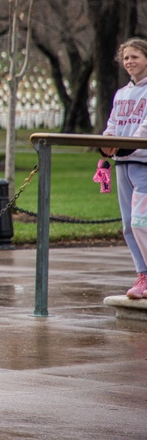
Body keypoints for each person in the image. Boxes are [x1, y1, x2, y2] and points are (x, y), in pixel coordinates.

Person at [100, 38, 147, 299]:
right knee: (129, 224)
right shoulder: (122, 93)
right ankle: (143, 274)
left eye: (135, 56)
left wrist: (126, 147)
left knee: (143, 222)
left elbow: (145, 128)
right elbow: (113, 124)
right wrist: (106, 146)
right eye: (126, 57)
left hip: (143, 164)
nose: (130, 62)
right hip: (123, 167)